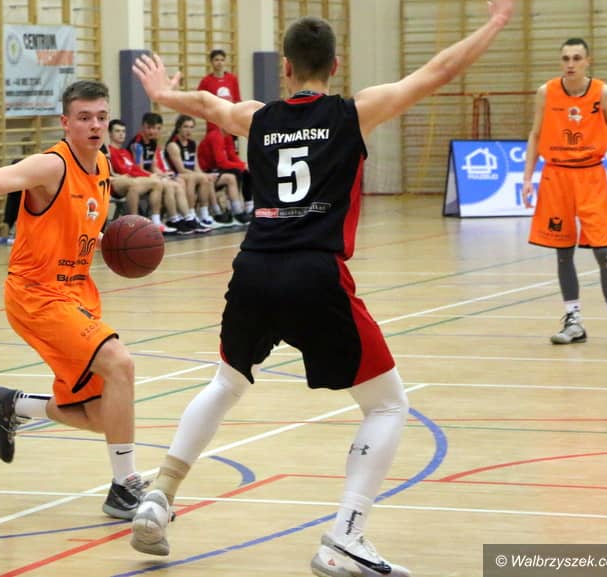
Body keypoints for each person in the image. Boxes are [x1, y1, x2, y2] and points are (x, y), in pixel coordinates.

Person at [129, 3, 514, 576]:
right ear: (335, 65)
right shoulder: (352, 113)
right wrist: (494, 23)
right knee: (387, 404)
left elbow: (208, 106)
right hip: (315, 273)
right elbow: (439, 71)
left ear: (285, 67)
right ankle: (346, 536)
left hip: (254, 267)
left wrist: (163, 94)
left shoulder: (259, 117)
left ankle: (158, 495)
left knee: (226, 381)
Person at [0, 80, 147, 520]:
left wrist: (108, 241)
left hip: (77, 293)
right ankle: (124, 488)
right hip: (37, 295)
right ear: (66, 122)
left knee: (101, 416)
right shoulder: (51, 166)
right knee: (120, 363)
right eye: (84, 117)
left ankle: (15, 404)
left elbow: (78, 225)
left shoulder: (103, 164)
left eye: (101, 117)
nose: (94, 125)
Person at [520, 38, 607, 347]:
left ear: (587, 61)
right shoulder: (546, 92)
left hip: (591, 176)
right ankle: (573, 321)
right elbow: (535, 134)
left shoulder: (603, 94)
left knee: (602, 251)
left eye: (576, 58)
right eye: (565, 58)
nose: (570, 64)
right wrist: (527, 178)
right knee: (563, 252)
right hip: (556, 176)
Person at [106, 119, 174, 232]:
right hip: (117, 184)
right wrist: (146, 176)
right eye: (117, 131)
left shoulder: (125, 152)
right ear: (110, 133)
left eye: (123, 131)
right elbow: (119, 172)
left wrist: (151, 175)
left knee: (157, 183)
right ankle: (134, 224)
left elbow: (135, 169)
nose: (121, 134)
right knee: (134, 184)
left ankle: (156, 221)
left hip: (132, 180)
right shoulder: (108, 151)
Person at [199, 124, 252, 223]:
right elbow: (221, 162)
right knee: (234, 174)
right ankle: (233, 209)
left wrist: (244, 165)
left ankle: (248, 206)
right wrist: (241, 166)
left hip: (217, 170)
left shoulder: (227, 136)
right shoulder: (215, 135)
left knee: (246, 171)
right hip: (208, 171)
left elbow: (232, 155)